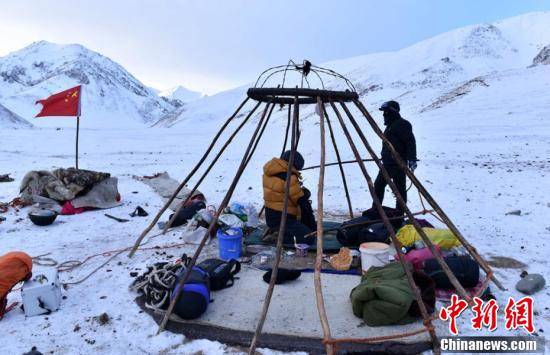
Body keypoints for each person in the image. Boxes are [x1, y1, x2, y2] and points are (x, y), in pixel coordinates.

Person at [263, 150, 316, 245]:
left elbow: (282, 193)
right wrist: (313, 226)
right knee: (309, 237)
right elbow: (301, 201)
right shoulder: (288, 176)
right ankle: (277, 236)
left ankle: (276, 231)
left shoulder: (270, 172)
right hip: (284, 219)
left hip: (271, 217)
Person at [373, 100, 417, 213]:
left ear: (392, 112)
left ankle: (399, 213)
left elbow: (410, 141)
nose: (384, 115)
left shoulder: (402, 124)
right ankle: (376, 210)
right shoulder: (391, 126)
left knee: (399, 190)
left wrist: (412, 158)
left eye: (386, 112)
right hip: (387, 162)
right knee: (379, 185)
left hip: (398, 163)